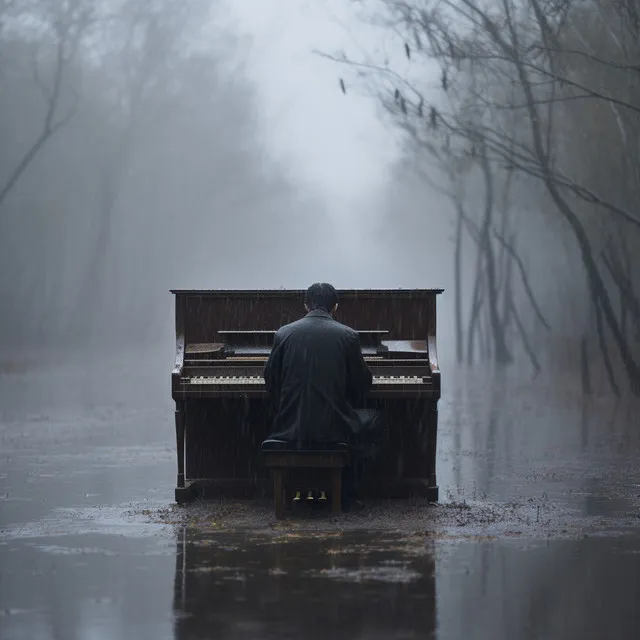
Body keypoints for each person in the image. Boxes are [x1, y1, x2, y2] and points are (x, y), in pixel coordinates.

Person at [262, 282, 384, 507]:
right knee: (376, 420)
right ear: (335, 307)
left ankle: (283, 488)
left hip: (290, 426)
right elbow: (363, 383)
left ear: (306, 306)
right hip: (333, 427)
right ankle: (346, 491)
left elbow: (270, 379)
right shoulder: (348, 336)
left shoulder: (283, 333)